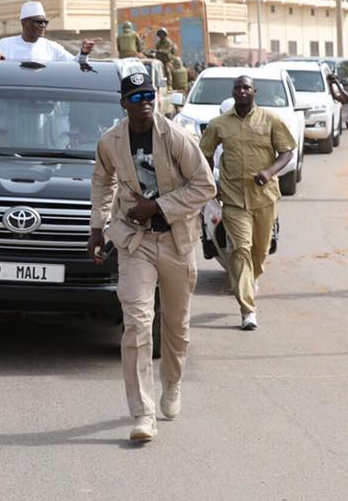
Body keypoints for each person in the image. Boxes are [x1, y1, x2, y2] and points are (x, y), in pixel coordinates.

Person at [87, 71, 216, 443]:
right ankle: (143, 413)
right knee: (137, 323)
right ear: (123, 102)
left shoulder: (176, 137)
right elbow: (102, 180)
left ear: (156, 98)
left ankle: (172, 384)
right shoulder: (110, 141)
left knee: (175, 326)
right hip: (134, 242)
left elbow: (205, 185)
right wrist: (98, 226)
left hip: (176, 240)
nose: (144, 102)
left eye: (149, 96)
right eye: (135, 97)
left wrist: (157, 205)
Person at [199, 75, 296, 330]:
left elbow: (286, 152)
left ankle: (250, 280)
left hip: (264, 198)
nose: (241, 91)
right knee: (241, 249)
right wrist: (213, 184)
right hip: (232, 198)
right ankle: (247, 310)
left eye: (246, 87)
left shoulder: (271, 119)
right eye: (237, 88)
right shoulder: (219, 124)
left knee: (260, 251)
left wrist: (269, 172)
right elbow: (204, 155)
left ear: (255, 91)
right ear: (232, 92)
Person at [0, 1, 96, 63]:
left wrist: (84, 53)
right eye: (39, 22)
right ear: (25, 23)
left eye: (45, 22)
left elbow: (74, 64)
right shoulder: (4, 45)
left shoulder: (52, 47)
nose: (43, 26)